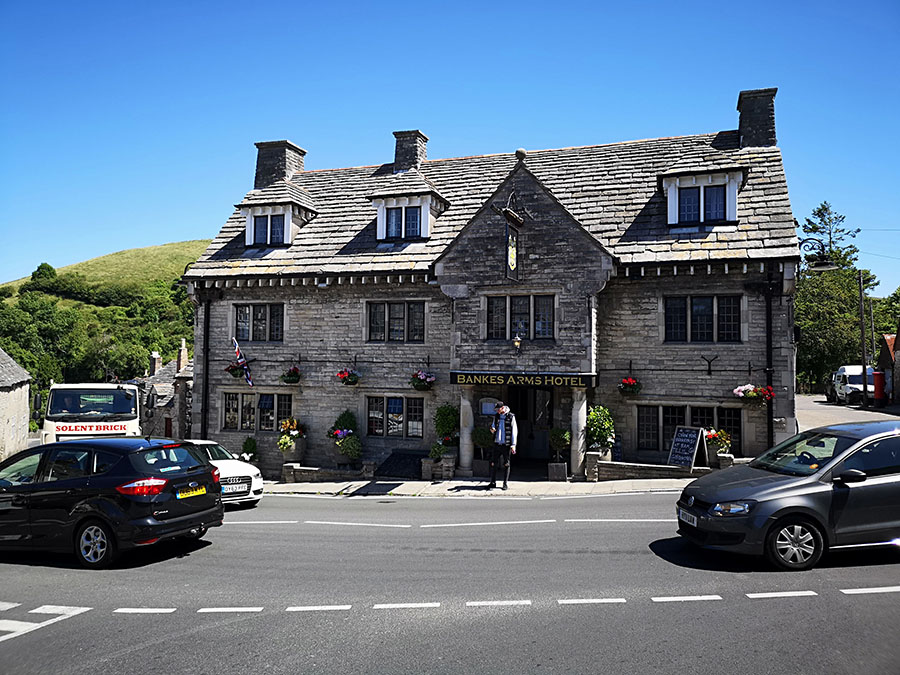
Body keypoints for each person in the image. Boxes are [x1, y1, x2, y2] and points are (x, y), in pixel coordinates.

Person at [489, 401, 517, 490]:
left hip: (506, 444)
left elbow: (514, 431)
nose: (497, 411)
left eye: (498, 409)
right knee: (493, 463)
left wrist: (513, 444)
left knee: (506, 464)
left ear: (502, 408)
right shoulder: (496, 416)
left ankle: (505, 483)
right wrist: (492, 429)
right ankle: (493, 482)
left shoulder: (511, 416)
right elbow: (493, 426)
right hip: (497, 443)